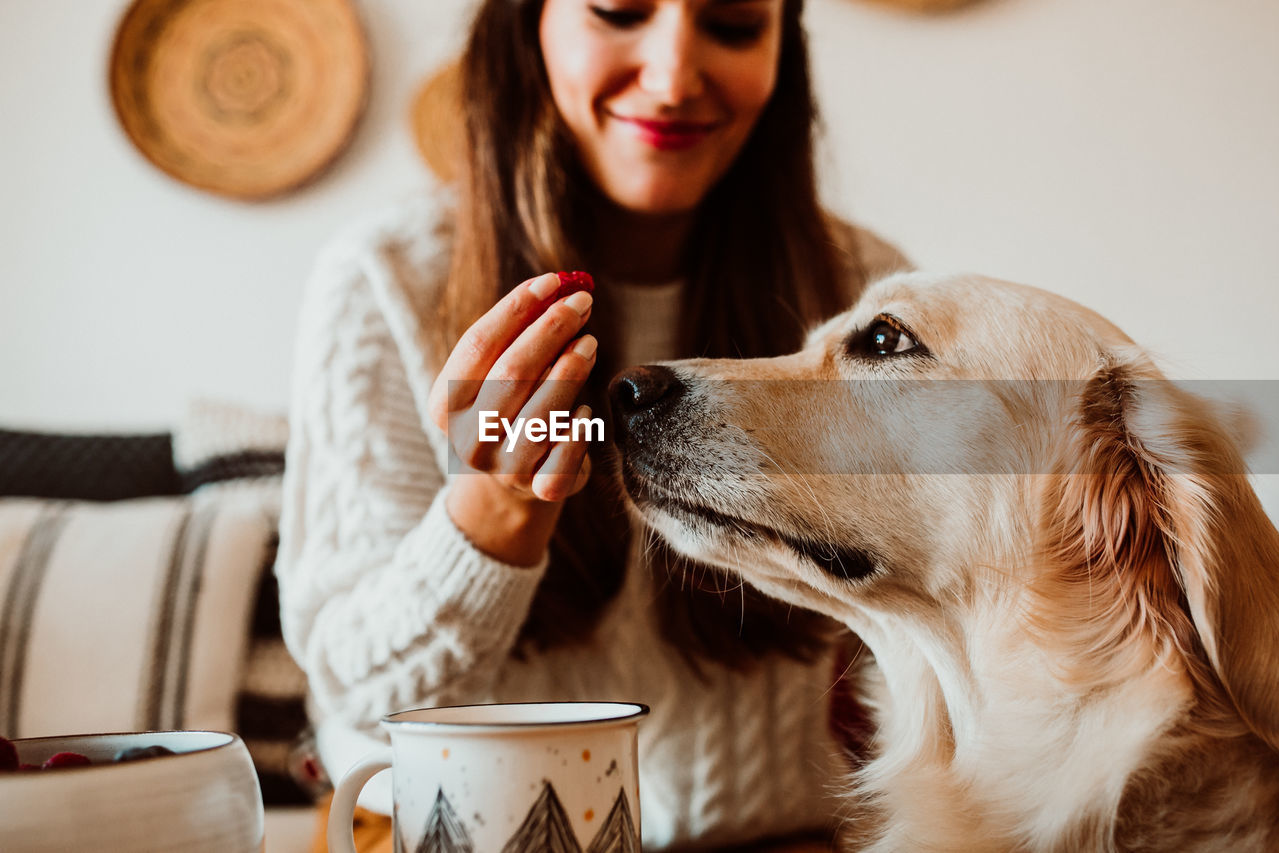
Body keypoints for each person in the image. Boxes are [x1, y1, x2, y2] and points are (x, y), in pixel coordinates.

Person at [277, 0, 909, 849]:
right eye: (618, 11)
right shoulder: (386, 282)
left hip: (776, 833)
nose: (674, 77)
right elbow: (358, 691)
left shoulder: (865, 296)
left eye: (730, 25)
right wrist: (492, 514)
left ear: (782, 52)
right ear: (526, 24)